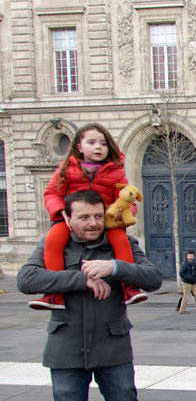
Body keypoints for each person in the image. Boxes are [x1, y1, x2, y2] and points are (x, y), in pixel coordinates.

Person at [16, 190, 163, 401]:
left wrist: (112, 267)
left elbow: (153, 278)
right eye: (83, 217)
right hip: (65, 347)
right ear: (67, 219)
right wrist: (82, 278)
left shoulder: (120, 243)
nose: (93, 223)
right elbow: (26, 279)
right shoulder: (52, 245)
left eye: (98, 215)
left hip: (112, 344)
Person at [30, 123, 147, 310]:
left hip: (106, 219)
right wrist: (61, 212)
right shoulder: (68, 167)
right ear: (79, 146)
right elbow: (51, 193)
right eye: (91, 142)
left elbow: (127, 198)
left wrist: (122, 214)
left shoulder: (115, 170)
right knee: (53, 240)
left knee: (121, 241)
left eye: (103, 143)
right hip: (72, 218)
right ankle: (54, 294)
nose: (98, 147)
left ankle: (129, 288)